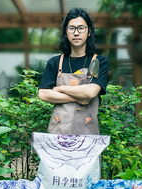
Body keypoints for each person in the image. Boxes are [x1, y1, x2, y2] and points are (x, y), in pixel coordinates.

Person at [38, 7, 109, 135]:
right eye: (72, 28)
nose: (76, 33)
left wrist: (59, 89)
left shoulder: (99, 62)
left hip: (88, 134)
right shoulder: (54, 62)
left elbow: (90, 92)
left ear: (89, 32)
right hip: (58, 132)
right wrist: (77, 98)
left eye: (81, 28)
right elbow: (43, 94)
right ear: (66, 33)